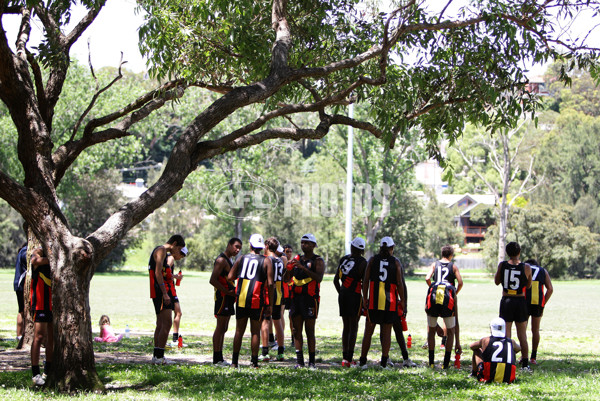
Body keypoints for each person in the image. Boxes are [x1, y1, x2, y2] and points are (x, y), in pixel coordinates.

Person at [227, 234, 274, 368]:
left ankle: (234, 362)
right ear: (262, 247)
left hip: (241, 298)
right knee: (255, 331)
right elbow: (270, 284)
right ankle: (254, 362)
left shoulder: (241, 258)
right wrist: (270, 304)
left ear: (250, 245)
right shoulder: (266, 261)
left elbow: (230, 276)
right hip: (256, 299)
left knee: (239, 331)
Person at [358, 236, 405, 369]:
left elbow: (366, 280)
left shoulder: (372, 260)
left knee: (368, 332)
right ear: (392, 248)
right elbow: (400, 283)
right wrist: (403, 301)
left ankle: (362, 362)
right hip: (389, 302)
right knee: (386, 333)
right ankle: (383, 362)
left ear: (380, 248)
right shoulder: (395, 262)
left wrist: (365, 297)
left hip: (373, 301)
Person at [283, 233, 325, 368]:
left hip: (310, 299)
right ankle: (299, 361)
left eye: (307, 243)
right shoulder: (296, 259)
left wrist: (303, 268)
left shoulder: (318, 260)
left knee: (309, 330)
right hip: (295, 299)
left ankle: (312, 362)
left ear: (313, 245)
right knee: (296, 330)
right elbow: (286, 279)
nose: (304, 245)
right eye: (302, 242)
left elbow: (318, 278)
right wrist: (288, 269)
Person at [148, 234, 186, 365]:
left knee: (160, 324)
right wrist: (165, 293)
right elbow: (158, 272)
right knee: (167, 324)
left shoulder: (163, 252)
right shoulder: (161, 250)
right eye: (179, 248)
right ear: (174, 244)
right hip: (160, 292)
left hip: (158, 291)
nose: (178, 252)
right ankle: (159, 357)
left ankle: (157, 356)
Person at [494, 241, 532, 370]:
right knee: (522, 335)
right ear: (519, 252)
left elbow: (496, 282)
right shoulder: (526, 267)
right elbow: (528, 285)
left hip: (506, 301)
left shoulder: (502, 265)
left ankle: (508, 361)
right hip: (520, 301)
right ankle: (525, 363)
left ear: (507, 253)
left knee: (506, 334)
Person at [333, 237, 367, 367]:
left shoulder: (343, 259)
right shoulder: (363, 262)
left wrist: (341, 292)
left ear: (352, 247)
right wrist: (365, 299)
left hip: (342, 295)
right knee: (354, 326)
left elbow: (335, 280)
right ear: (362, 250)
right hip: (355, 296)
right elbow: (364, 284)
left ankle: (344, 358)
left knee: (345, 326)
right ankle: (349, 357)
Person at [425, 245, 464, 354]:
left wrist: (432, 287)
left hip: (436, 293)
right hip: (448, 295)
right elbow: (460, 283)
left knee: (431, 325)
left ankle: (431, 361)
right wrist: (454, 293)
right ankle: (446, 359)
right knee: (451, 323)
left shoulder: (435, 264)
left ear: (442, 254)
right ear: (451, 255)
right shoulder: (453, 266)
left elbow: (427, 278)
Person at [209, 237, 242, 366]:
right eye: (236, 246)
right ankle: (216, 358)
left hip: (229, 298)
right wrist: (227, 291)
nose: (237, 249)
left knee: (224, 328)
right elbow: (212, 280)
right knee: (220, 327)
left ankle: (220, 358)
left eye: (239, 248)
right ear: (229, 245)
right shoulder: (221, 260)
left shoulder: (230, 260)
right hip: (222, 297)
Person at [259, 238, 287, 362]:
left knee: (265, 321)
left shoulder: (266, 260)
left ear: (266, 246)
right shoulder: (280, 261)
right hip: (278, 293)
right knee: (277, 321)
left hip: (268, 292)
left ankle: (265, 352)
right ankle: (281, 351)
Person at [470, 317, 521, 383]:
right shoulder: (511, 341)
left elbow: (472, 346)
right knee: (512, 351)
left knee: (477, 350)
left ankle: (474, 373)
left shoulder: (486, 340)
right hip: (508, 379)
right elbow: (519, 348)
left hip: (488, 377)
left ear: (491, 328)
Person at [30, 247, 53, 386]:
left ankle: (48, 371)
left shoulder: (57, 253)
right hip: (40, 303)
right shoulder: (38, 252)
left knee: (52, 337)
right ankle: (35, 373)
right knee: (39, 337)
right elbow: (34, 260)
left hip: (53, 303)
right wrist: (54, 258)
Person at [523, 258, 553, 365]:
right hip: (538, 302)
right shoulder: (543, 271)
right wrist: (543, 302)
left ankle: (523, 356)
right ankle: (533, 357)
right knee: (535, 330)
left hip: (524, 302)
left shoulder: (524, 268)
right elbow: (550, 289)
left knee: (522, 330)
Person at [425, 278, 457, 369]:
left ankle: (431, 363)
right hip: (447, 301)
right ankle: (445, 364)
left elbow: (426, 308)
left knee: (431, 332)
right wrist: (457, 341)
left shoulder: (432, 286)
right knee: (451, 333)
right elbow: (456, 320)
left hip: (433, 300)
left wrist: (436, 326)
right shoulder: (451, 289)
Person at [390, 259, 417, 368]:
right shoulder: (395, 263)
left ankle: (404, 357)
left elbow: (402, 284)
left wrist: (404, 303)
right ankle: (400, 358)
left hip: (391, 301)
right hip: (391, 301)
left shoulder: (395, 263)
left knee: (396, 330)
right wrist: (404, 303)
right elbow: (402, 284)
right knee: (392, 331)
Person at [167, 247, 188, 346]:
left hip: (171, 289)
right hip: (169, 290)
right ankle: (174, 340)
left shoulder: (170, 258)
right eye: (181, 255)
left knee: (178, 313)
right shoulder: (170, 258)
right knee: (177, 313)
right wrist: (177, 277)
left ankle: (175, 338)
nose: (181, 258)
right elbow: (166, 272)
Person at [14, 242, 27, 343]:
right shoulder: (26, 251)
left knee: (21, 310)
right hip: (22, 284)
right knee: (22, 310)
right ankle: (19, 335)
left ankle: (19, 336)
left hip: (18, 283)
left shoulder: (22, 251)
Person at [283, 244, 295, 346]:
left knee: (292, 316)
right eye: (287, 251)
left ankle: (293, 338)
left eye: (290, 251)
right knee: (279, 315)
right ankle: (278, 338)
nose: (289, 253)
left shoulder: (294, 263)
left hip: (291, 292)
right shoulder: (280, 262)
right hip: (282, 291)